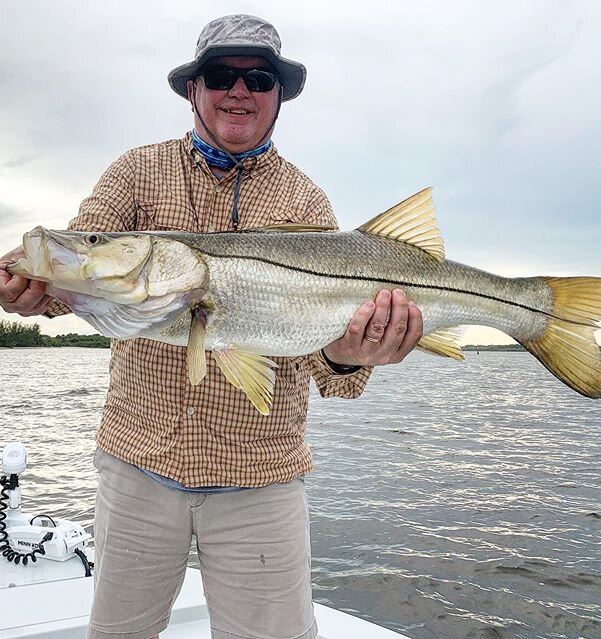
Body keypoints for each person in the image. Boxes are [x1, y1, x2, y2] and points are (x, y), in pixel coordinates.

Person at [0, 15, 423, 639]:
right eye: (222, 75)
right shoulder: (136, 173)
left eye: (259, 78)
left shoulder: (306, 203)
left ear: (279, 96)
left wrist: (350, 354)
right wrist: (34, 294)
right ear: (193, 89)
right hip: (138, 465)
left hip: (262, 479)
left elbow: (328, 374)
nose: (240, 91)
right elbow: (85, 272)